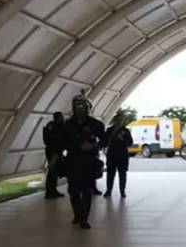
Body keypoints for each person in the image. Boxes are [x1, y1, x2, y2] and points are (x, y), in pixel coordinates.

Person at [54, 92, 106, 229]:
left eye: (82, 105)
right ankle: (78, 213)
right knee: (73, 190)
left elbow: (105, 140)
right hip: (73, 160)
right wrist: (55, 159)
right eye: (76, 105)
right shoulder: (68, 125)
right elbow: (59, 144)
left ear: (87, 107)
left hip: (89, 160)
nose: (79, 108)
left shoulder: (95, 124)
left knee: (87, 190)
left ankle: (84, 218)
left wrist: (93, 146)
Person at [104, 115, 134, 198]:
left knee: (122, 173)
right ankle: (108, 190)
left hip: (122, 154)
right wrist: (112, 135)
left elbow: (130, 142)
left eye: (120, 121)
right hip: (112, 154)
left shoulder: (126, 131)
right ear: (114, 121)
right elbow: (105, 141)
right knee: (110, 173)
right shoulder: (109, 130)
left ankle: (122, 191)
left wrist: (123, 139)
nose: (119, 122)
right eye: (117, 120)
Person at [42, 112, 65, 199]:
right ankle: (49, 192)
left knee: (55, 171)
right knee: (52, 171)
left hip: (56, 151)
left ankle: (53, 190)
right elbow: (53, 139)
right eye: (61, 117)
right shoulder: (53, 126)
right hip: (53, 151)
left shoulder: (55, 126)